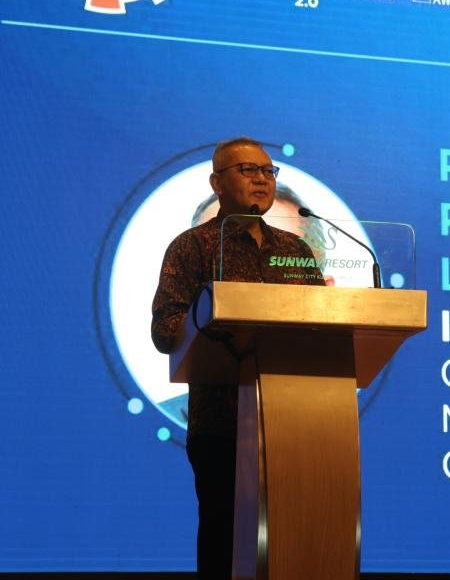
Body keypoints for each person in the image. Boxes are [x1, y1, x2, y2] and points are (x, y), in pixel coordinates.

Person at [151, 137, 324, 579]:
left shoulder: (296, 250)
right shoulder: (193, 246)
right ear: (217, 183)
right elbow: (165, 329)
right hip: (222, 423)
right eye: (248, 170)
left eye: (268, 171)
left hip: (294, 425)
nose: (261, 180)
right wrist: (224, 326)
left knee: (294, 540)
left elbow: (322, 325)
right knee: (225, 543)